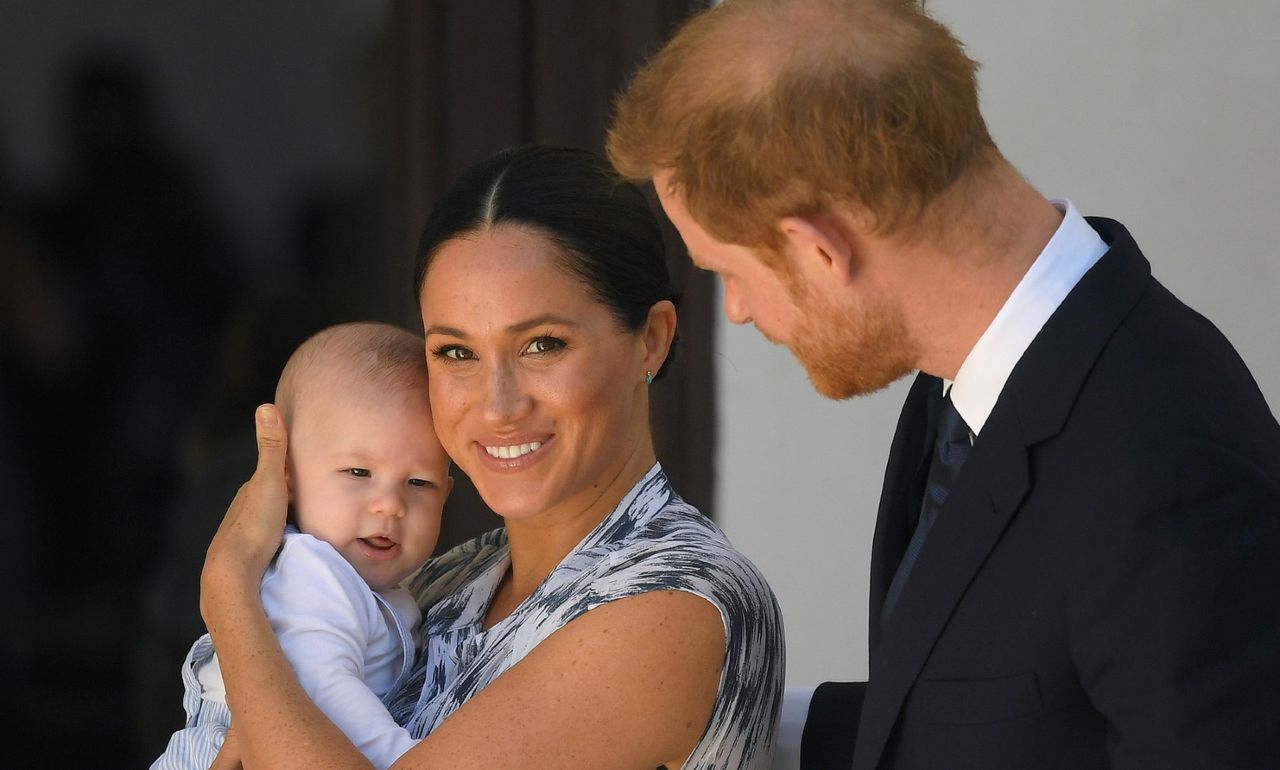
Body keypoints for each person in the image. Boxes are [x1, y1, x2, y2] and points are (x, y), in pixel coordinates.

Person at [606, 0, 1280, 768]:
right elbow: (992, 714)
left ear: (819, 249)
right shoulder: (971, 380)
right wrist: (704, 719)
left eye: (729, 272)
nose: (742, 312)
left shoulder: (1168, 471)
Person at [198, 145, 785, 769]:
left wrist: (229, 588)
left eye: (541, 344)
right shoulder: (447, 581)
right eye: (456, 352)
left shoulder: (678, 603)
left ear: (652, 339)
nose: (497, 405)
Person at [153, 322, 453, 769]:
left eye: (419, 482)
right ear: (287, 478)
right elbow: (324, 689)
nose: (390, 504)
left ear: (447, 493)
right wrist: (406, 760)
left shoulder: (378, 585)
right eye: (358, 473)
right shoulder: (312, 572)